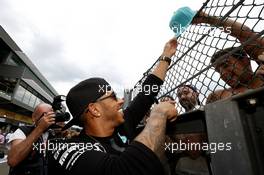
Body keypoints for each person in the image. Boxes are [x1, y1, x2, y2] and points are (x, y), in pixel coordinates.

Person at [47, 37, 179, 175]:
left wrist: (166, 55)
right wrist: (159, 114)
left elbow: (146, 95)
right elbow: (125, 170)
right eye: (113, 97)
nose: (121, 101)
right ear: (94, 109)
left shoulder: (122, 125)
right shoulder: (70, 148)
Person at [192, 12, 264, 103]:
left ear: (245, 61)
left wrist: (209, 19)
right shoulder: (218, 96)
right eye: (218, 71)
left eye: (226, 65)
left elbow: (246, 34)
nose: (222, 74)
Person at [7, 103, 55, 175]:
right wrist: (40, 128)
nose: (48, 118)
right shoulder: (22, 131)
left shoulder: (53, 135)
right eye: (45, 115)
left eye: (51, 115)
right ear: (34, 117)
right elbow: (12, 160)